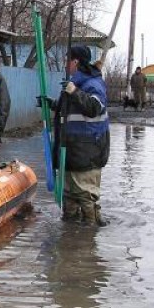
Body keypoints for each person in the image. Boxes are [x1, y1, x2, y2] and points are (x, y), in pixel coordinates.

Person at [43, 44, 110, 226]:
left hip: (87, 151)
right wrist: (54, 105)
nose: (65, 64)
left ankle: (88, 239)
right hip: (72, 149)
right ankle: (71, 240)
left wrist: (74, 91)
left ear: (75, 61)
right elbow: (72, 109)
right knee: (69, 196)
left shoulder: (92, 83)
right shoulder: (76, 83)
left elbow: (94, 108)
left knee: (85, 195)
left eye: (67, 60)